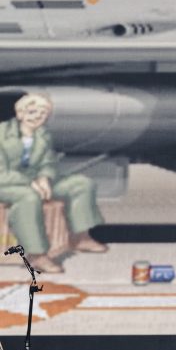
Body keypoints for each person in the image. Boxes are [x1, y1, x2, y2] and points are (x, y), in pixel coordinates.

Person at [0, 93, 106, 273]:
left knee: (81, 184)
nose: (37, 117)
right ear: (20, 113)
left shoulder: (43, 135)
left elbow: (48, 162)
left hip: (34, 181)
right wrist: (30, 182)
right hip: (6, 183)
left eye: (43, 113)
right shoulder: (1, 133)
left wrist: (45, 178)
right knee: (29, 197)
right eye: (32, 112)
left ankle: (80, 237)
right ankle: (36, 254)